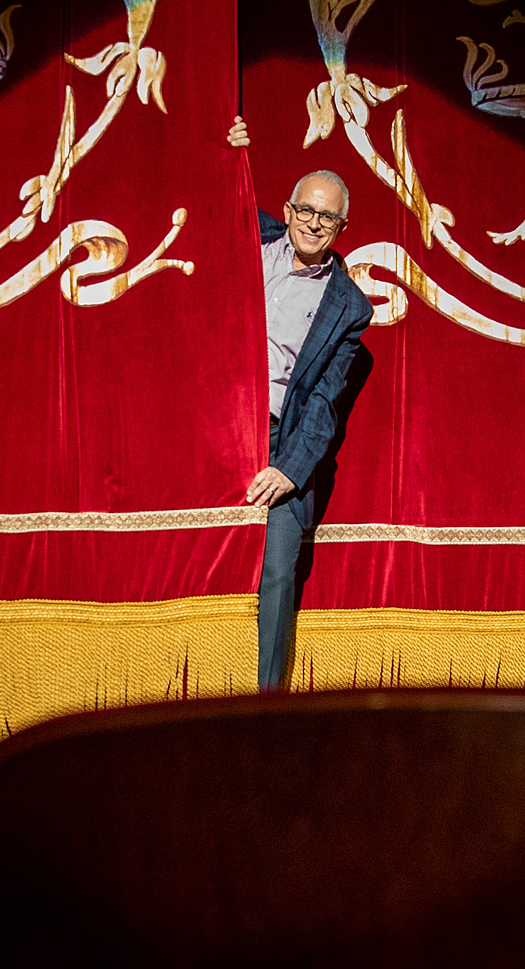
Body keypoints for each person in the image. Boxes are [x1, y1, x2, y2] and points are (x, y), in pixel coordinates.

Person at [228, 116, 372, 691]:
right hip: (212, 420)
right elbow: (203, 191)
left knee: (279, 572)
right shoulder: (249, 234)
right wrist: (227, 147)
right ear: (287, 210)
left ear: (342, 228)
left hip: (276, 438)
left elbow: (324, 403)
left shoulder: (349, 306)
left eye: (327, 217)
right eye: (306, 211)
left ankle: (267, 708)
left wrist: (289, 470)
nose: (314, 224)